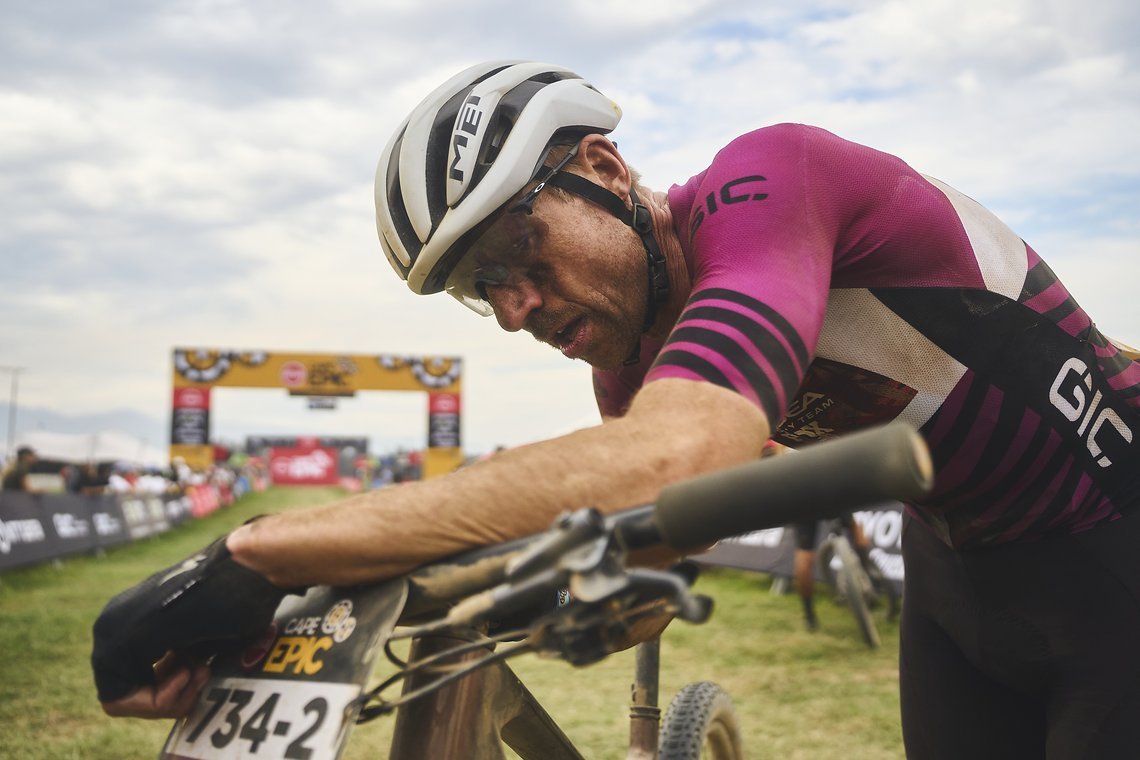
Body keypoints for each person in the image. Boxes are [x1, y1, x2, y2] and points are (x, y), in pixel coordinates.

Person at [92, 61, 1140, 758]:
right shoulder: (635, 365)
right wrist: (558, 599)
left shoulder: (772, 181)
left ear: (601, 168)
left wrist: (257, 552)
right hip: (966, 585)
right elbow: (652, 566)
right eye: (478, 289)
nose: (512, 312)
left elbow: (672, 466)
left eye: (515, 256)